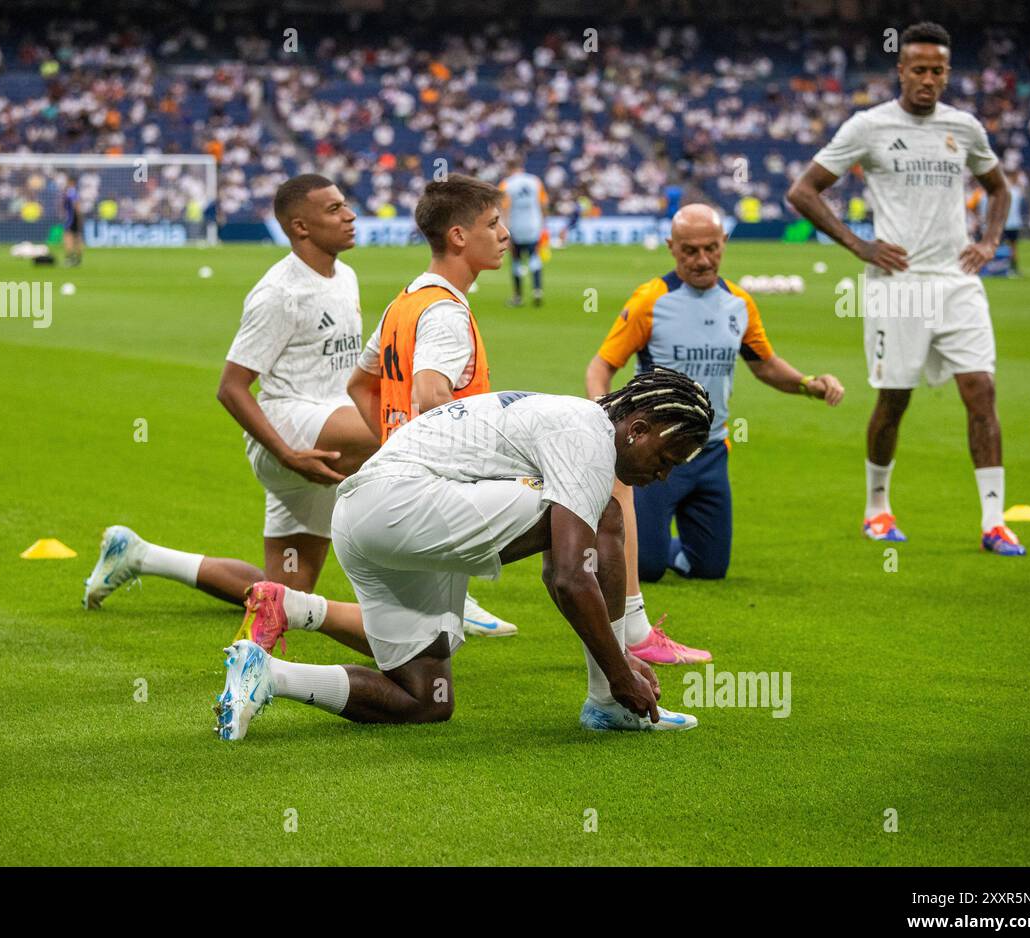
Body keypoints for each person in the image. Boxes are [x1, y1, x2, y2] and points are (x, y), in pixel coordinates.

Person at [213, 369, 716, 741]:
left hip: (365, 520)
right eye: (666, 459)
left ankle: (268, 675)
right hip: (399, 505)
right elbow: (566, 575)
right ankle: (608, 704)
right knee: (603, 517)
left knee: (423, 696)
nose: (663, 476)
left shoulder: (567, 419)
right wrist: (620, 673)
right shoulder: (587, 433)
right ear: (639, 428)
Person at [81, 174, 379, 657]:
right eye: (335, 209)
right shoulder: (279, 293)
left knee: (283, 595)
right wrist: (285, 455)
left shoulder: (345, 277)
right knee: (404, 433)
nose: (349, 215)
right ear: (300, 227)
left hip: (324, 436)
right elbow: (231, 387)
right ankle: (442, 588)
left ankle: (140, 555)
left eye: (346, 205)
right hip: (289, 428)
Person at [245, 174, 521, 645]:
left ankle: (263, 630)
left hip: (354, 461)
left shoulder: (400, 299)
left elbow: (359, 380)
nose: (505, 233)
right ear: (458, 236)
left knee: (417, 648)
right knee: (559, 502)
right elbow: (432, 396)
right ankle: (619, 653)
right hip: (325, 448)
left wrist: (395, 441)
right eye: (493, 223)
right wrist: (468, 469)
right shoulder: (442, 312)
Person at [786, 21, 1028, 556]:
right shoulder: (869, 126)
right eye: (917, 68)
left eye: (937, 70)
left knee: (981, 393)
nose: (927, 78)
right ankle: (877, 509)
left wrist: (988, 242)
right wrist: (860, 245)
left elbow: (999, 187)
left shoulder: (963, 127)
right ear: (900, 70)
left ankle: (994, 522)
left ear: (947, 73)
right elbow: (803, 192)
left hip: (957, 282)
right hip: (898, 286)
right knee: (895, 398)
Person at [585, 204, 844, 664]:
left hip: (712, 454)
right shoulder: (650, 301)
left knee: (710, 569)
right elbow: (602, 365)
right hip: (656, 461)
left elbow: (763, 363)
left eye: (711, 249)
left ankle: (672, 543)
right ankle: (649, 546)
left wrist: (808, 384)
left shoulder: (739, 303)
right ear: (672, 249)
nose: (702, 260)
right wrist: (602, 415)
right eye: (689, 251)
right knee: (647, 568)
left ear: (724, 244)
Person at [499, 158, 549, 307]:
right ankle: (537, 290)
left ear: (509, 168)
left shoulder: (506, 184)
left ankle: (518, 297)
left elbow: (504, 209)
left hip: (516, 226)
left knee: (516, 260)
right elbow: (544, 203)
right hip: (534, 225)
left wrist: (504, 231)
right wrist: (544, 223)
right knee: (534, 257)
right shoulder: (535, 181)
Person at [62, 176, 83, 267]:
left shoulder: (71, 192)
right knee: (77, 237)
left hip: (72, 218)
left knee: (68, 236)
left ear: (71, 182)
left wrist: (78, 217)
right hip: (74, 217)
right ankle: (78, 258)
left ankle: (69, 257)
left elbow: (76, 205)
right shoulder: (73, 192)